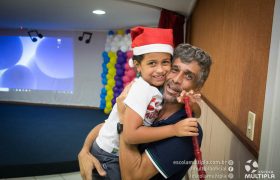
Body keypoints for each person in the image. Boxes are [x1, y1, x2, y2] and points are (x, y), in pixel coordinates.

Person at [78, 43, 212, 180]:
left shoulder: (186, 132)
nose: (177, 79)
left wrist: (124, 120)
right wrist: (85, 151)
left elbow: (131, 177)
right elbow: (107, 126)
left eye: (188, 76)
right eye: (174, 69)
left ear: (197, 87)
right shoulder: (154, 97)